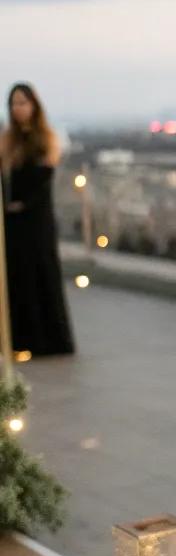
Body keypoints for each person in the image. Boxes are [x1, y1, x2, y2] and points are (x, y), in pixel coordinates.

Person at [1, 83, 75, 357]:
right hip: (11, 220)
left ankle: (48, 341)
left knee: (41, 273)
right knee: (16, 276)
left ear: (33, 105)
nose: (18, 108)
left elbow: (42, 181)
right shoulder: (7, 141)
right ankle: (19, 339)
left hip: (36, 219)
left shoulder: (46, 139)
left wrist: (23, 204)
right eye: (14, 103)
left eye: (22, 102)